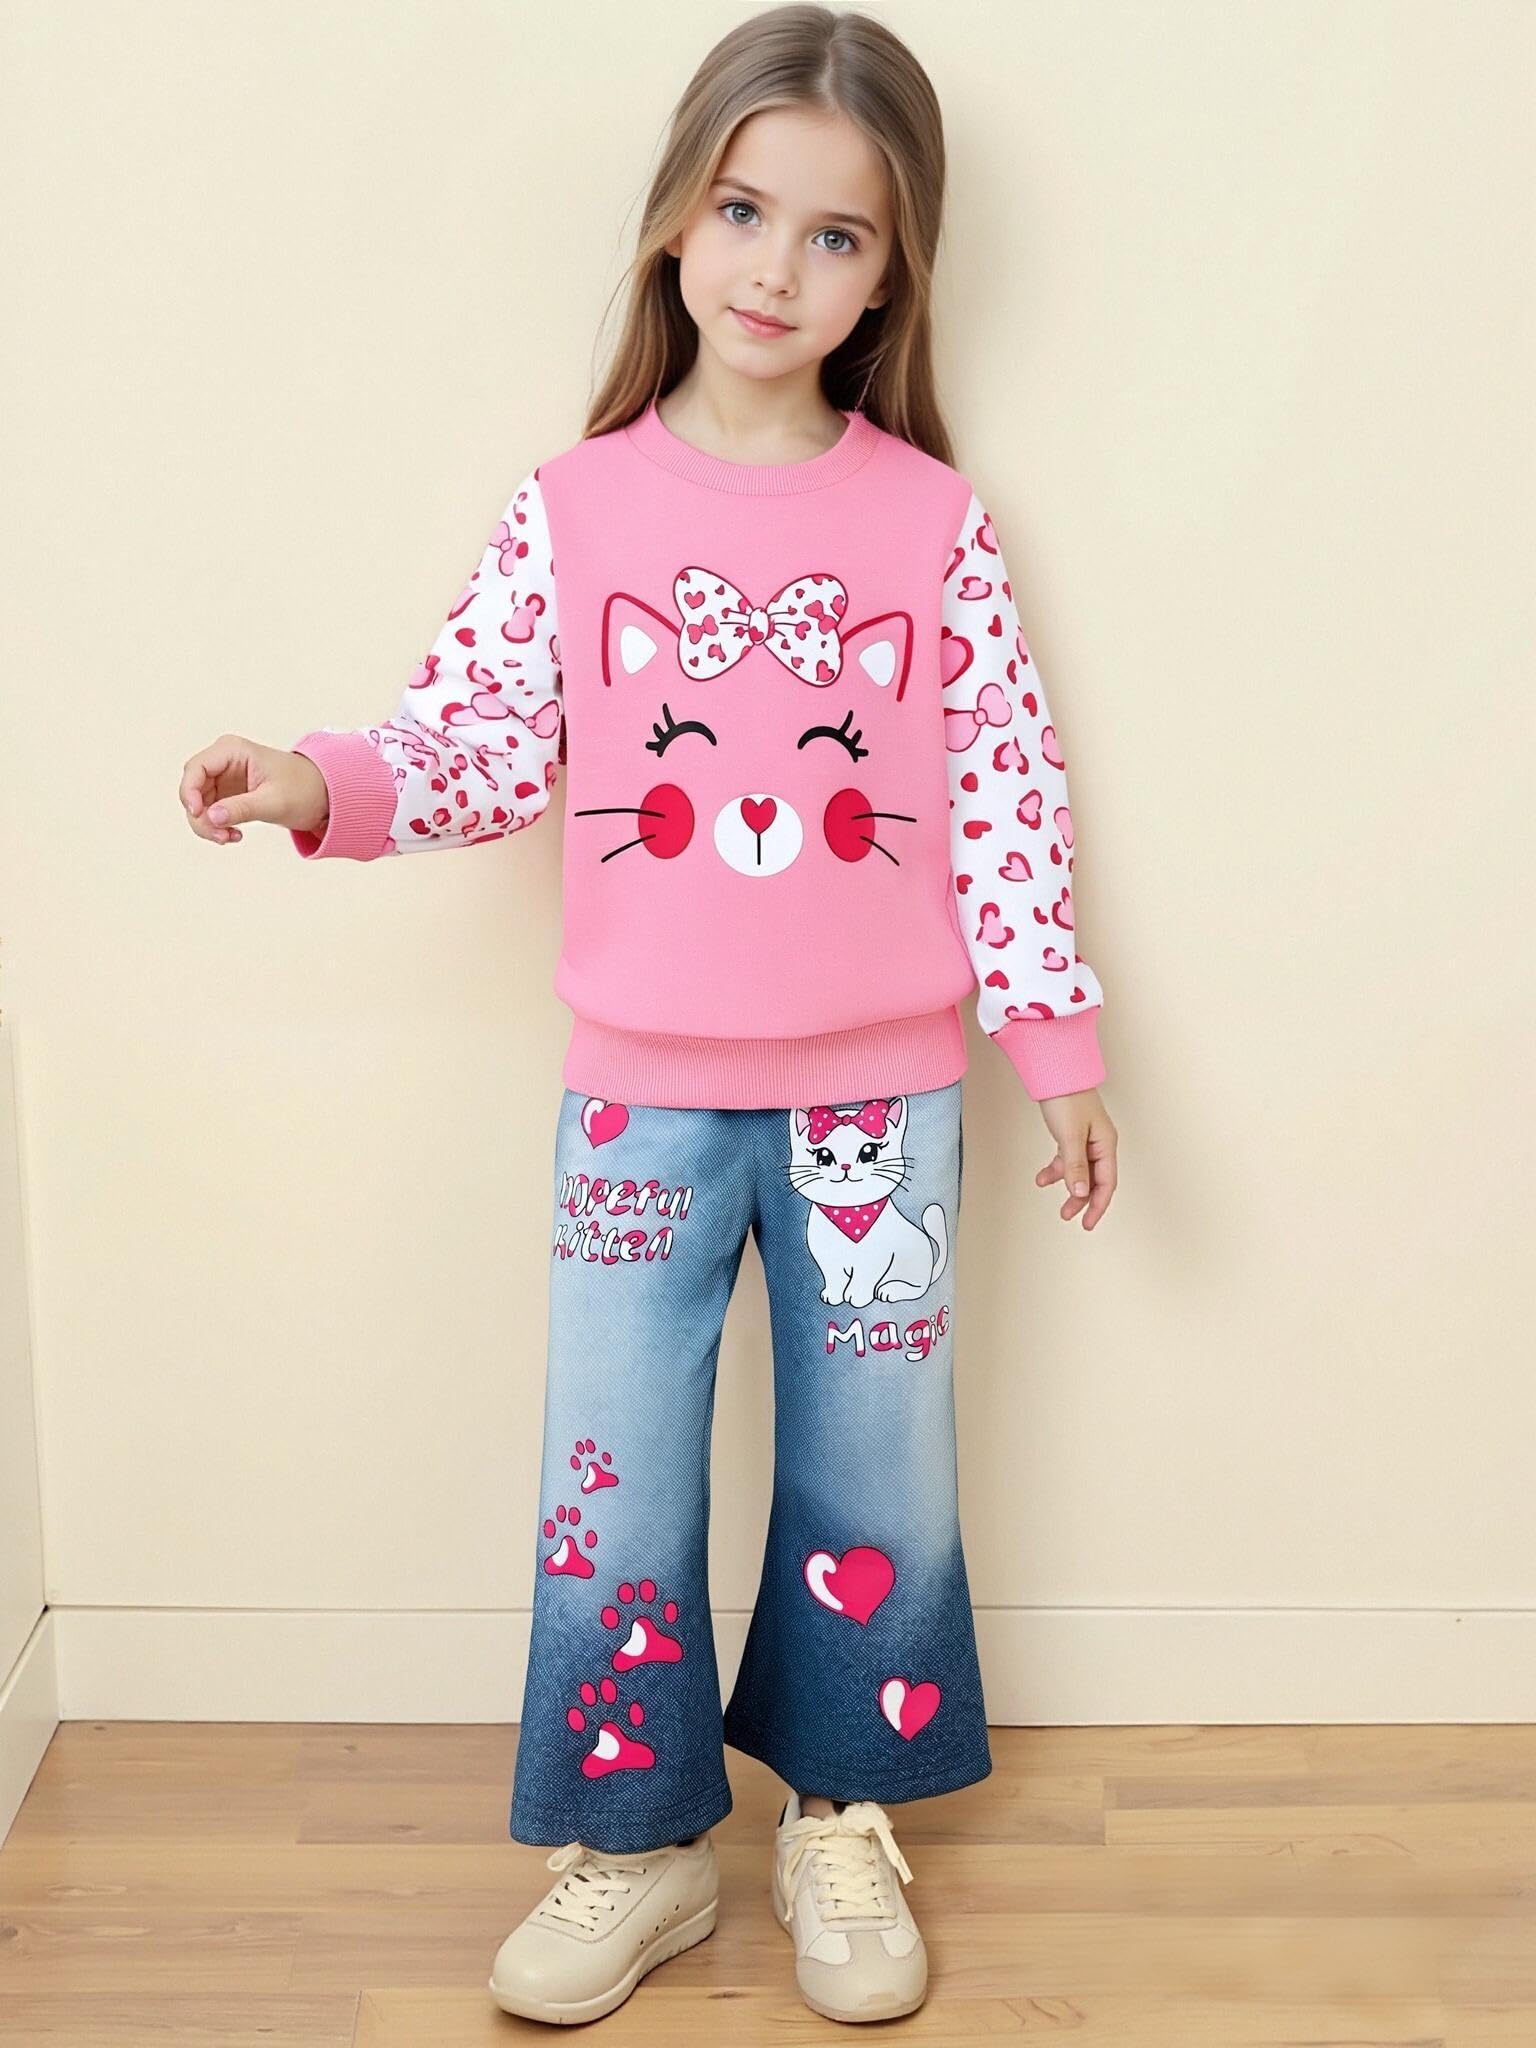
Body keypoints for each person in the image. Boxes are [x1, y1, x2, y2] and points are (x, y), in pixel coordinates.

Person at [178, 2, 1119, 2026]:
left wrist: (1057, 1051)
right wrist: (318, 781)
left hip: (884, 1104)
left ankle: (840, 1815)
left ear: (893, 272)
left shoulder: (932, 523)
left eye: (836, 235)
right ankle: (633, 1841)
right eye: (745, 210)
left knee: (880, 1481)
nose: (778, 267)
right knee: (612, 1478)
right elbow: (476, 737)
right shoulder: (575, 506)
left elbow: (1006, 794)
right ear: (678, 219)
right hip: (637, 1101)